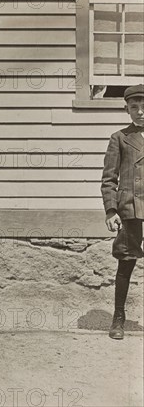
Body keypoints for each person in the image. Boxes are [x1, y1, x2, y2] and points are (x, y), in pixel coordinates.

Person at [101, 83, 144, 340]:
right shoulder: (120, 138)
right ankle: (118, 317)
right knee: (126, 264)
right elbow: (109, 179)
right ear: (127, 109)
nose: (140, 112)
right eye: (134, 107)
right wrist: (110, 210)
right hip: (131, 210)